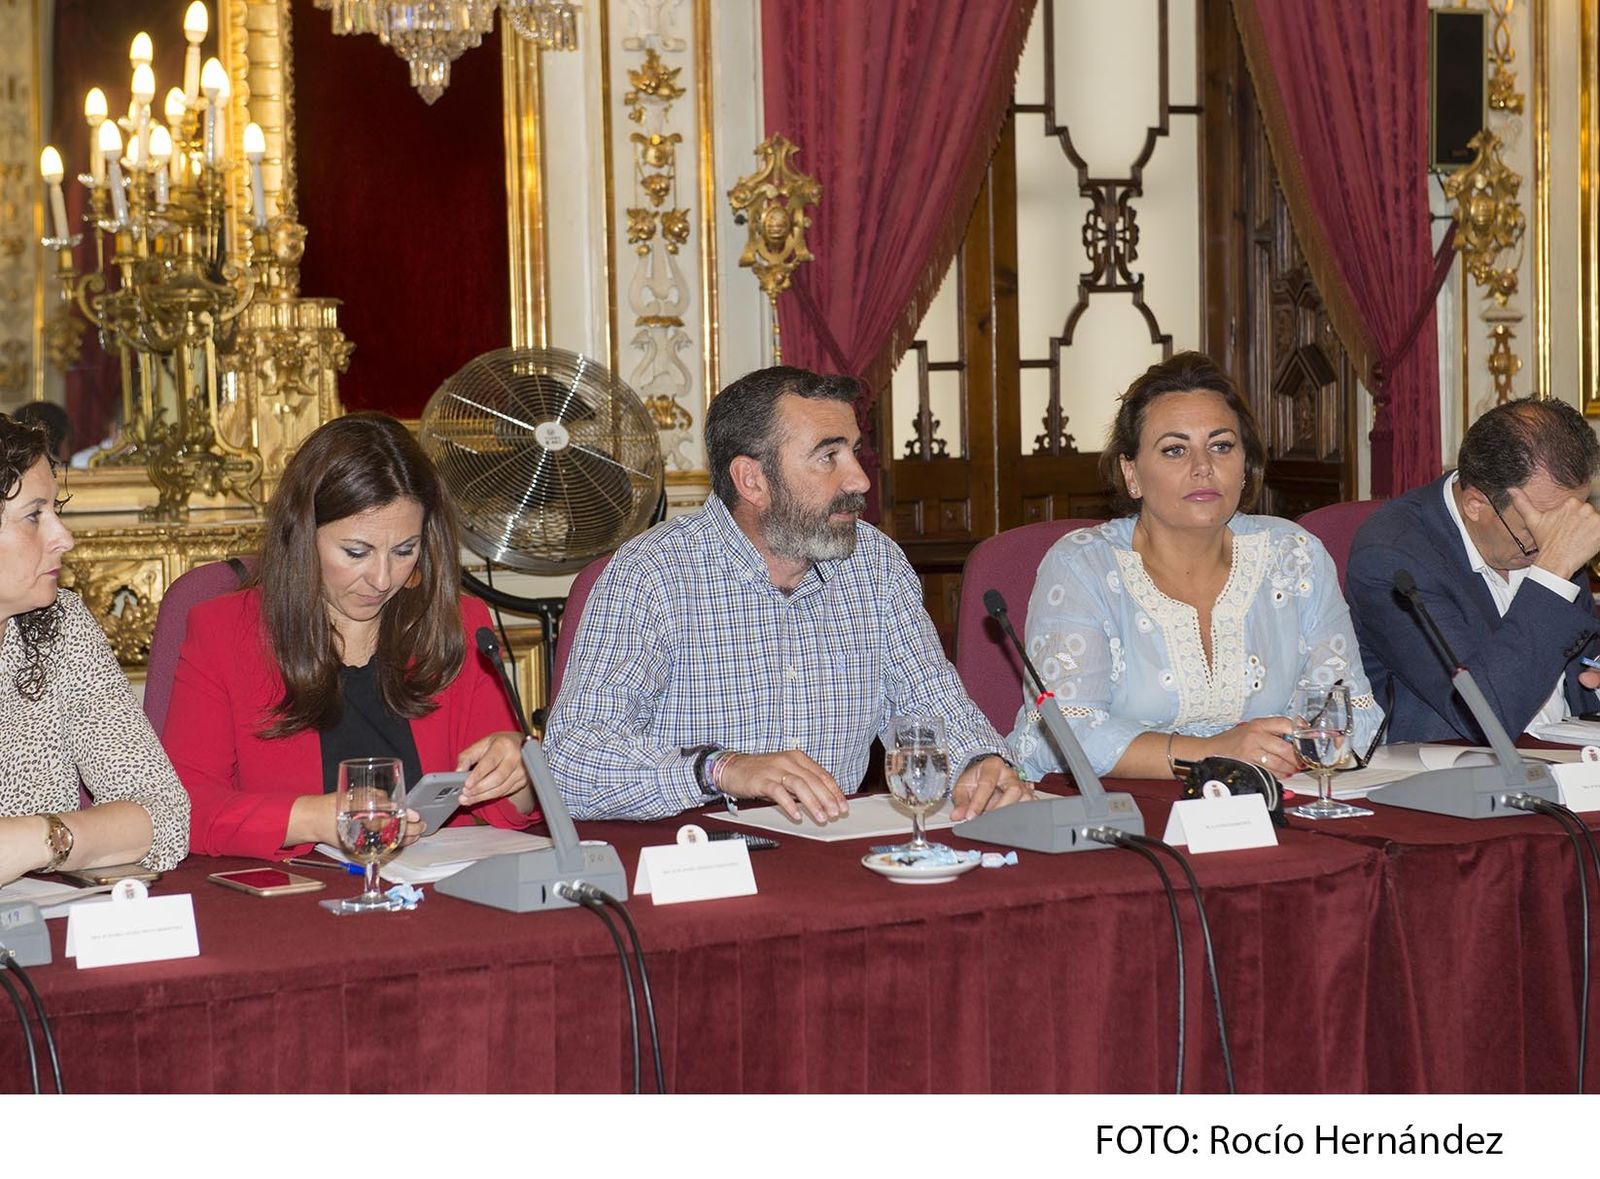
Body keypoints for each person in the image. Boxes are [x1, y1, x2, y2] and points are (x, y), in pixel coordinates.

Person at [543, 365, 1027, 823]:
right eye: (828, 457)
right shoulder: (652, 574)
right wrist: (722, 769)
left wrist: (980, 763)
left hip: (835, 857)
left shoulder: (875, 563)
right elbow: (571, 762)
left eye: (855, 451)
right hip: (695, 861)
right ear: (752, 480)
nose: (859, 479)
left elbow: (934, 707)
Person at [162, 413, 538, 860]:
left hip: (435, 896)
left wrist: (519, 773)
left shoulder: (456, 622)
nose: (382, 578)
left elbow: (509, 812)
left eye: (404, 550)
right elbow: (184, 809)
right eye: (356, 552)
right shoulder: (222, 632)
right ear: (303, 537)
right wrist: (320, 817)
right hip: (296, 904)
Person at [1010, 352, 1382, 781]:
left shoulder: (1294, 555)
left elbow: (1352, 712)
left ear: (1246, 465)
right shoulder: (1082, 566)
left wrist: (1278, 752)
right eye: (1174, 450)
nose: (1203, 468)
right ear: (1131, 473)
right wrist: (1213, 753)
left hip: (1266, 802)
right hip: (1115, 811)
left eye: (1221, 446)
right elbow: (1064, 733)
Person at [0, 414, 188, 884]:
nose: (64, 538)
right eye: (33, 516)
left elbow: (164, 812)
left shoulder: (59, 626)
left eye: (55, 511)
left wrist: (37, 840)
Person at [1346, 397, 1600, 743]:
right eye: (1534, 532)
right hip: (1457, 777)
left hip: (1570, 761)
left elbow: (1581, 666)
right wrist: (1552, 569)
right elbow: (1481, 715)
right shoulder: (1392, 557)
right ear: (1475, 504)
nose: (1551, 541)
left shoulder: (1539, 530)